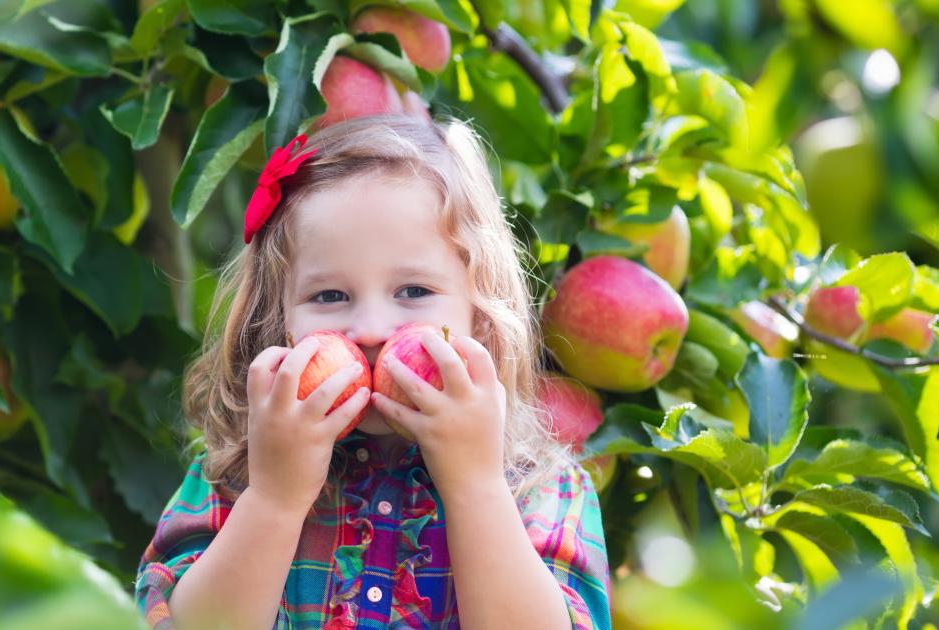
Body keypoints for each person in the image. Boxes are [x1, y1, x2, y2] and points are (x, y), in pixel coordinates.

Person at [135, 114, 611, 629]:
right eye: (330, 296)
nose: (371, 328)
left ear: (479, 309)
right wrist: (273, 499)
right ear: (279, 320)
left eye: (413, 291)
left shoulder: (541, 487)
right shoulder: (239, 472)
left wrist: (477, 487)